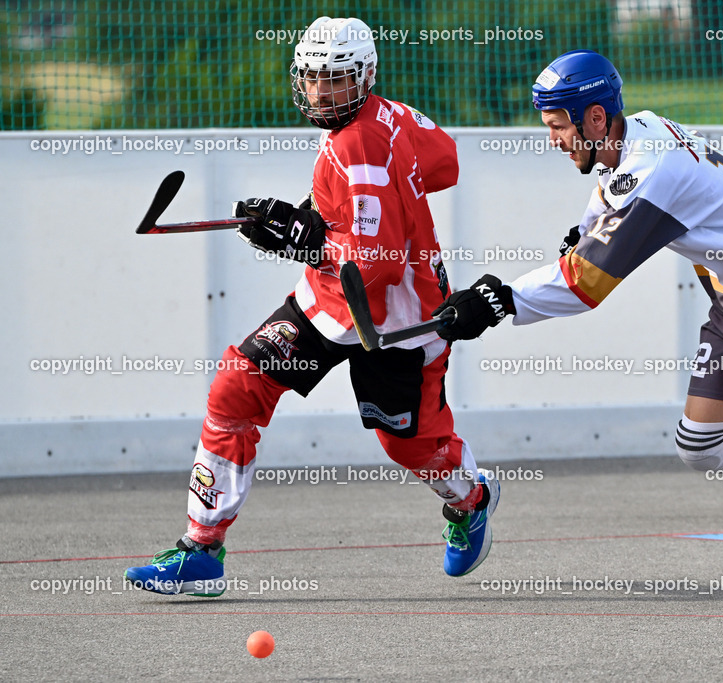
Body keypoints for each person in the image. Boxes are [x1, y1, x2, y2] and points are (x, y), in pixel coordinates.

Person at [433, 49, 723, 609]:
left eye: (558, 127)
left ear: (594, 119)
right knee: (700, 448)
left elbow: (586, 284)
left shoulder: (652, 168)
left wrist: (499, 301)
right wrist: (584, 230)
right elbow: (608, 195)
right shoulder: (637, 133)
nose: (553, 140)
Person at [125, 17, 499, 596]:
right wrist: (308, 214)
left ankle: (471, 499)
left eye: (337, 80)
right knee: (236, 387)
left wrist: (304, 237)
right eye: (314, 78)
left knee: (409, 445)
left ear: (366, 76)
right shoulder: (393, 115)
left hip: (396, 320)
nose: (323, 92)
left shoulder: (360, 145)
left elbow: (371, 263)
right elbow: (444, 160)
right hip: (330, 303)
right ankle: (202, 549)